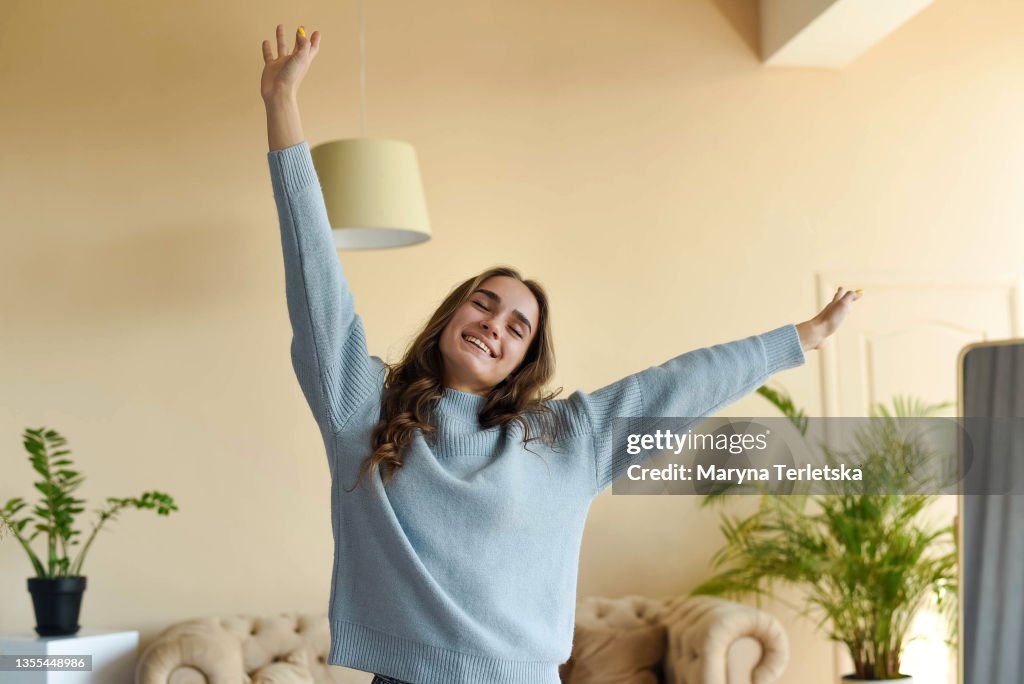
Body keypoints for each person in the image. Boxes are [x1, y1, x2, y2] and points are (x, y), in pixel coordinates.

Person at [261, 24, 862, 684]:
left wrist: (796, 339)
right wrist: (282, 103)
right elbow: (316, 279)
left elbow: (680, 384)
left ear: (523, 361)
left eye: (517, 327)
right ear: (449, 317)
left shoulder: (563, 439)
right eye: (484, 303)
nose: (495, 325)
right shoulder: (362, 406)